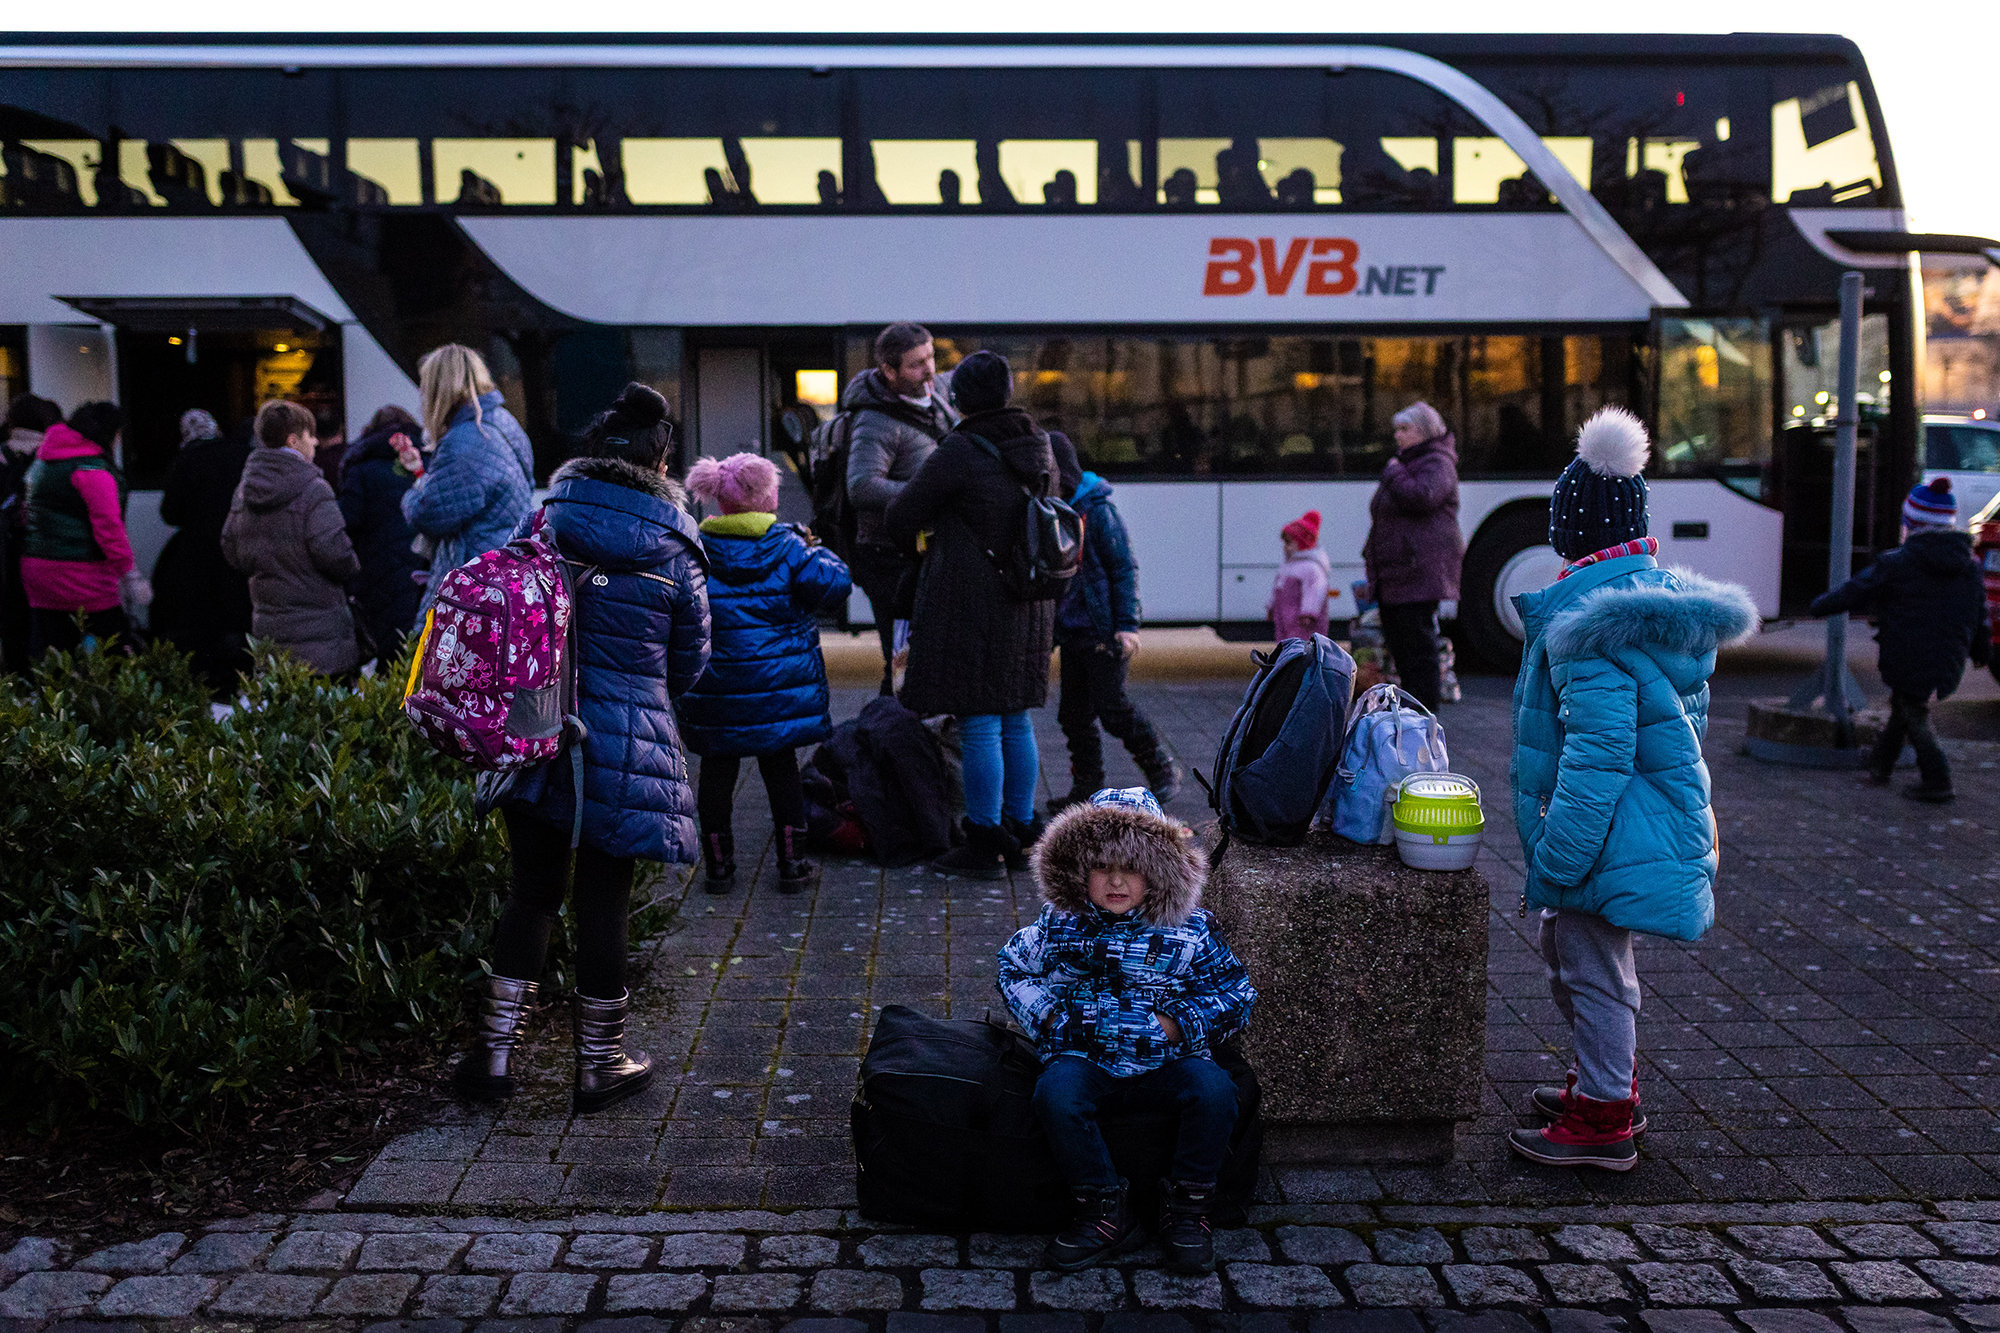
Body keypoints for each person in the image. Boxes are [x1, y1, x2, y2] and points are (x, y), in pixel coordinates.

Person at [1507, 407, 1756, 1172]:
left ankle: (1606, 1114)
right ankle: (1603, 1078)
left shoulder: (1593, 627)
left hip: (1606, 831)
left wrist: (1560, 851)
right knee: (1577, 952)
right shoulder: (1649, 606)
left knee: (1589, 960)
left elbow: (1599, 757)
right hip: (1644, 821)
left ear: (1572, 532)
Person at [454, 383, 710, 1114]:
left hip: (538, 726)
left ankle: (494, 1057)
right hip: (627, 740)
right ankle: (601, 1066)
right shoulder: (677, 547)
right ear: (663, 461)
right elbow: (690, 662)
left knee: (531, 893)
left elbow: (506, 611)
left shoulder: (543, 520)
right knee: (604, 904)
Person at [998, 787, 1256, 1275]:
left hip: (1169, 1057)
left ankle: (1188, 1208)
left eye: (1132, 868)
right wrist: (1051, 1018)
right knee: (1055, 1097)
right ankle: (1103, 1209)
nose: (1116, 881)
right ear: (1077, 870)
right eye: (1101, 868)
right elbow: (1014, 969)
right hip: (1084, 1054)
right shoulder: (1060, 925)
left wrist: (1176, 1026)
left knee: (1216, 1093)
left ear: (1157, 872)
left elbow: (1235, 993)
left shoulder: (1190, 929)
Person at [886, 350, 1056, 878]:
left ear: (959, 398)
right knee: (1014, 715)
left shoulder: (960, 449)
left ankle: (984, 842)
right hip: (1028, 600)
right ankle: (1022, 827)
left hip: (973, 602)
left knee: (981, 718)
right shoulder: (1037, 442)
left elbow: (900, 515)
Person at [678, 451, 851, 895]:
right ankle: (791, 864)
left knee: (716, 774)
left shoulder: (696, 549)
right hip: (777, 689)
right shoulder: (789, 545)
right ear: (767, 497)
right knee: (782, 774)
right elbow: (833, 586)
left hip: (715, 687)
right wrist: (819, 549)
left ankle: (718, 868)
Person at [1811, 476, 1988, 803]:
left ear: (1913, 524)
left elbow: (1857, 589)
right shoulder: (1969, 566)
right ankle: (1880, 766)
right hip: (1947, 653)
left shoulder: (1899, 561)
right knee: (1904, 705)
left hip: (1908, 650)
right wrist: (1981, 650)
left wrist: (1820, 606)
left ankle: (1938, 779)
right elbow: (1979, 613)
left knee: (1913, 709)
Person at [1051, 465, 1181, 811]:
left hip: (1102, 631)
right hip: (1073, 630)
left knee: (1112, 707)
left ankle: (1162, 769)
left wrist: (1127, 625)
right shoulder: (1059, 508)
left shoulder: (1098, 511)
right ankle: (1087, 785)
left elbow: (1123, 568)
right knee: (1073, 714)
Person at [842, 323, 955, 692]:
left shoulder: (937, 390)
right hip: (888, 557)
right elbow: (861, 486)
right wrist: (924, 492)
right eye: (916, 364)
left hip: (923, 551)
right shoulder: (874, 420)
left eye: (931, 357)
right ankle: (892, 738)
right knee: (904, 664)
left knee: (930, 659)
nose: (930, 370)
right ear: (888, 371)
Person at [220, 400, 362, 677]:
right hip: (321, 637)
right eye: (310, 435)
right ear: (294, 440)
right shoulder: (313, 489)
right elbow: (334, 552)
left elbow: (230, 547)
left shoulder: (244, 491)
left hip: (270, 634)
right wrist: (352, 568)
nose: (316, 443)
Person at [400, 344, 534, 623]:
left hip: (471, 583)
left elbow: (430, 514)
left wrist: (413, 493)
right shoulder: (504, 422)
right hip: (505, 573)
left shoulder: (466, 440)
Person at [21, 401, 146, 658]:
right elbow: (109, 528)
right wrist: (129, 574)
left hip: (37, 570)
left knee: (56, 654)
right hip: (81, 574)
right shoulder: (90, 469)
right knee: (114, 651)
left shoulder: (44, 459)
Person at [1360, 402, 1463, 712]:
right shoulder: (1412, 462)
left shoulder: (1436, 462)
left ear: (1425, 431)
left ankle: (1423, 714)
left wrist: (1393, 472)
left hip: (1417, 573)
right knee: (1403, 647)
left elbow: (1421, 496)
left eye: (1405, 429)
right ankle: (1412, 712)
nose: (1398, 435)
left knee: (1418, 649)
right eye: (1397, 429)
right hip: (1400, 574)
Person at [152, 408, 255, 692]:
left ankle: (206, 680)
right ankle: (237, 679)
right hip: (238, 548)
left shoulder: (186, 460)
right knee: (238, 619)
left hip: (197, 554)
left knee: (204, 621)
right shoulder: (240, 456)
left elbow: (170, 512)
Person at [339, 404, 429, 666]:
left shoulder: (360, 471)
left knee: (388, 654)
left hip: (375, 573)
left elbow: (347, 521)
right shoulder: (427, 463)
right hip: (422, 569)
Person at [2, 393, 64, 671]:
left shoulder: (3, 453)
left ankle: (15, 683)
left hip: (5, 551)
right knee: (44, 623)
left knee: (12, 619)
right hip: (42, 551)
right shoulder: (51, 457)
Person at [1267, 509, 1330, 642]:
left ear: (1303, 542)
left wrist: (1308, 612)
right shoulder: (1288, 565)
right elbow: (1278, 587)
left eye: (1289, 543)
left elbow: (1314, 591)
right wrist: (1271, 606)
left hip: (1301, 621)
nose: (1285, 547)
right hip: (1285, 618)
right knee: (1285, 642)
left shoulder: (1311, 568)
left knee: (1303, 644)